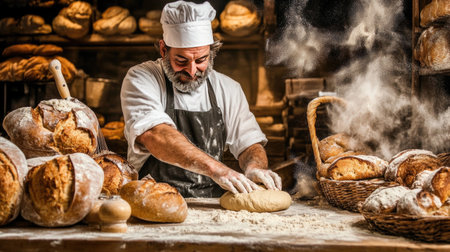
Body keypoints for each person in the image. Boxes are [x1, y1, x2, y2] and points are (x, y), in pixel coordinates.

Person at [121, 1, 281, 198]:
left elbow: (249, 144)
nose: (191, 70)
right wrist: (218, 170)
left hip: (210, 204)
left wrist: (254, 166)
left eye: (201, 60)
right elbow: (156, 134)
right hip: (151, 200)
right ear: (163, 50)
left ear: (212, 52)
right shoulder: (142, 78)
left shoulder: (228, 88)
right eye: (181, 61)